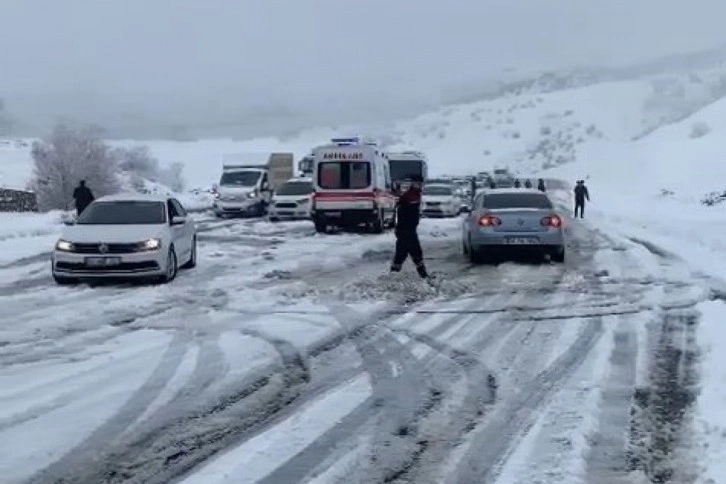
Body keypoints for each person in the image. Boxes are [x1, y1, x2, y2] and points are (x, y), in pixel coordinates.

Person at [391, 174, 429, 279]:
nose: (420, 185)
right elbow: (404, 213)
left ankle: (393, 274)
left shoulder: (414, 194)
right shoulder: (411, 195)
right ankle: (424, 276)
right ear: (413, 183)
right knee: (415, 252)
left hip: (407, 230)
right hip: (407, 230)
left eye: (421, 183)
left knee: (402, 253)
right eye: (418, 183)